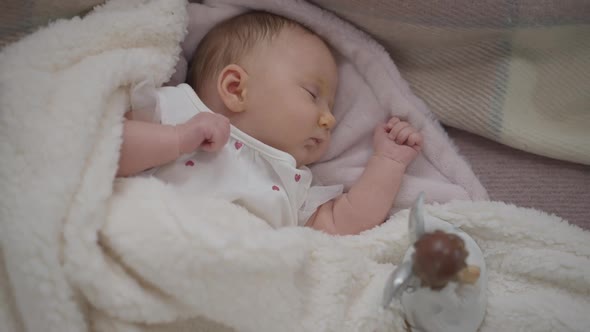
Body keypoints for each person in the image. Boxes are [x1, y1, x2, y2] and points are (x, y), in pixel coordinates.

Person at [117, 11, 423, 235]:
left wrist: (387, 162)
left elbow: (342, 224)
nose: (329, 118)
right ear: (236, 88)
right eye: (312, 94)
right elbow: (109, 148)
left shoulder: (293, 180)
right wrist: (177, 139)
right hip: (151, 234)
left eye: (330, 106)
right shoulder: (178, 110)